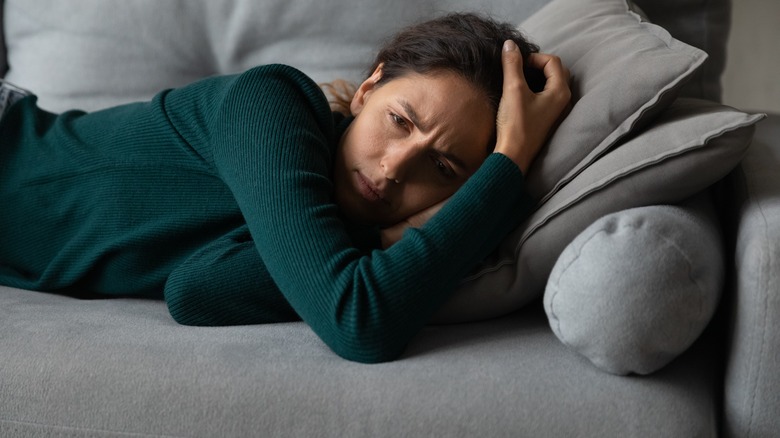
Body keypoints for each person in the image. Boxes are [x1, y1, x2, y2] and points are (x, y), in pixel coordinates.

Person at [0, 13, 570, 363]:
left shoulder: (336, 230)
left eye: (444, 169)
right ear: (371, 87)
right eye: (401, 120)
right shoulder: (272, 103)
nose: (397, 167)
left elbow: (196, 291)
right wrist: (509, 162)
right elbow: (358, 319)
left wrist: (378, 244)